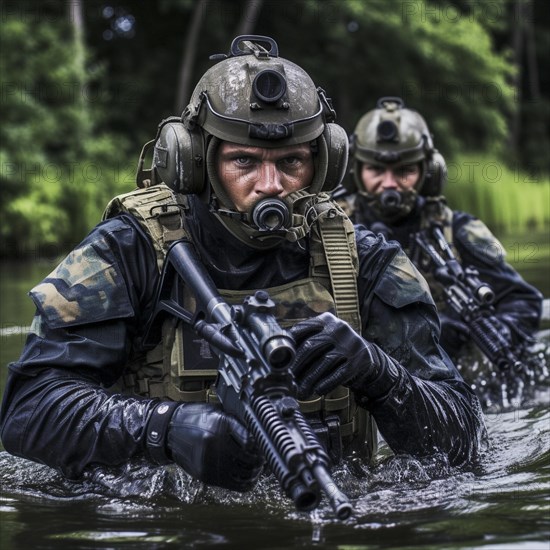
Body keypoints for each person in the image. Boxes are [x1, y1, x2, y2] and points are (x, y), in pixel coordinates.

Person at [0, 37, 486, 496]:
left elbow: (466, 439)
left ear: (325, 164)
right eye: (245, 162)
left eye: (292, 161)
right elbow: (28, 411)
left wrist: (382, 376)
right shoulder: (132, 251)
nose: (271, 184)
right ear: (195, 163)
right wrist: (164, 429)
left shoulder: (364, 262)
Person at [339, 96, 544, 407]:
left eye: (404, 170)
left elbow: (523, 302)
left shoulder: (458, 231)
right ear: (357, 171)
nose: (390, 184)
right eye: (376, 170)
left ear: (429, 172)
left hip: (449, 383)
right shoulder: (332, 233)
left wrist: (470, 338)